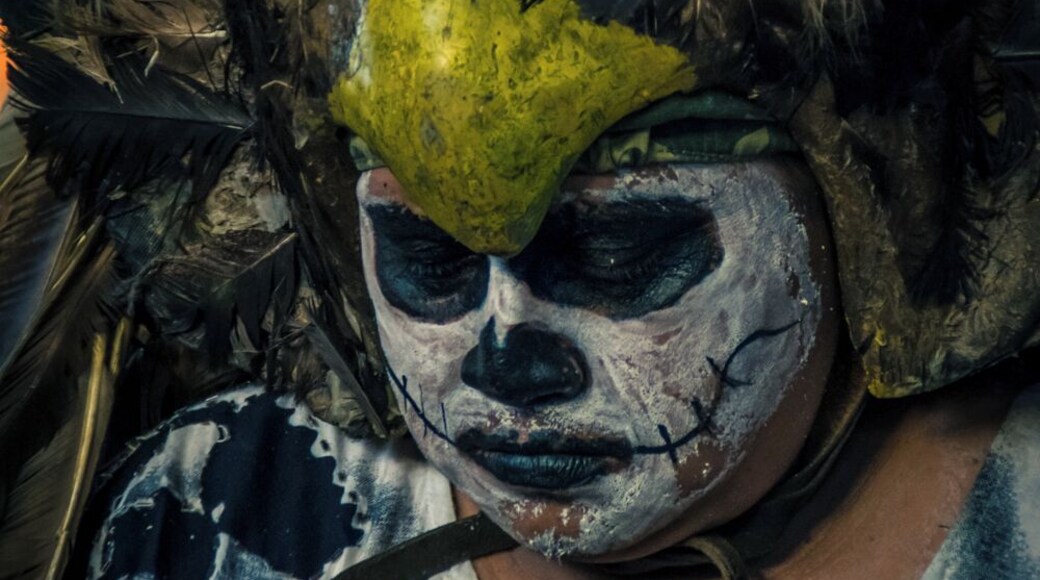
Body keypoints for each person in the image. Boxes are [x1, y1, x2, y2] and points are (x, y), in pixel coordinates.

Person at [0, 1, 1038, 579]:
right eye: (429, 258)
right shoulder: (224, 507)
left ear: (859, 219)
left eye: (620, 252)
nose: (506, 354)